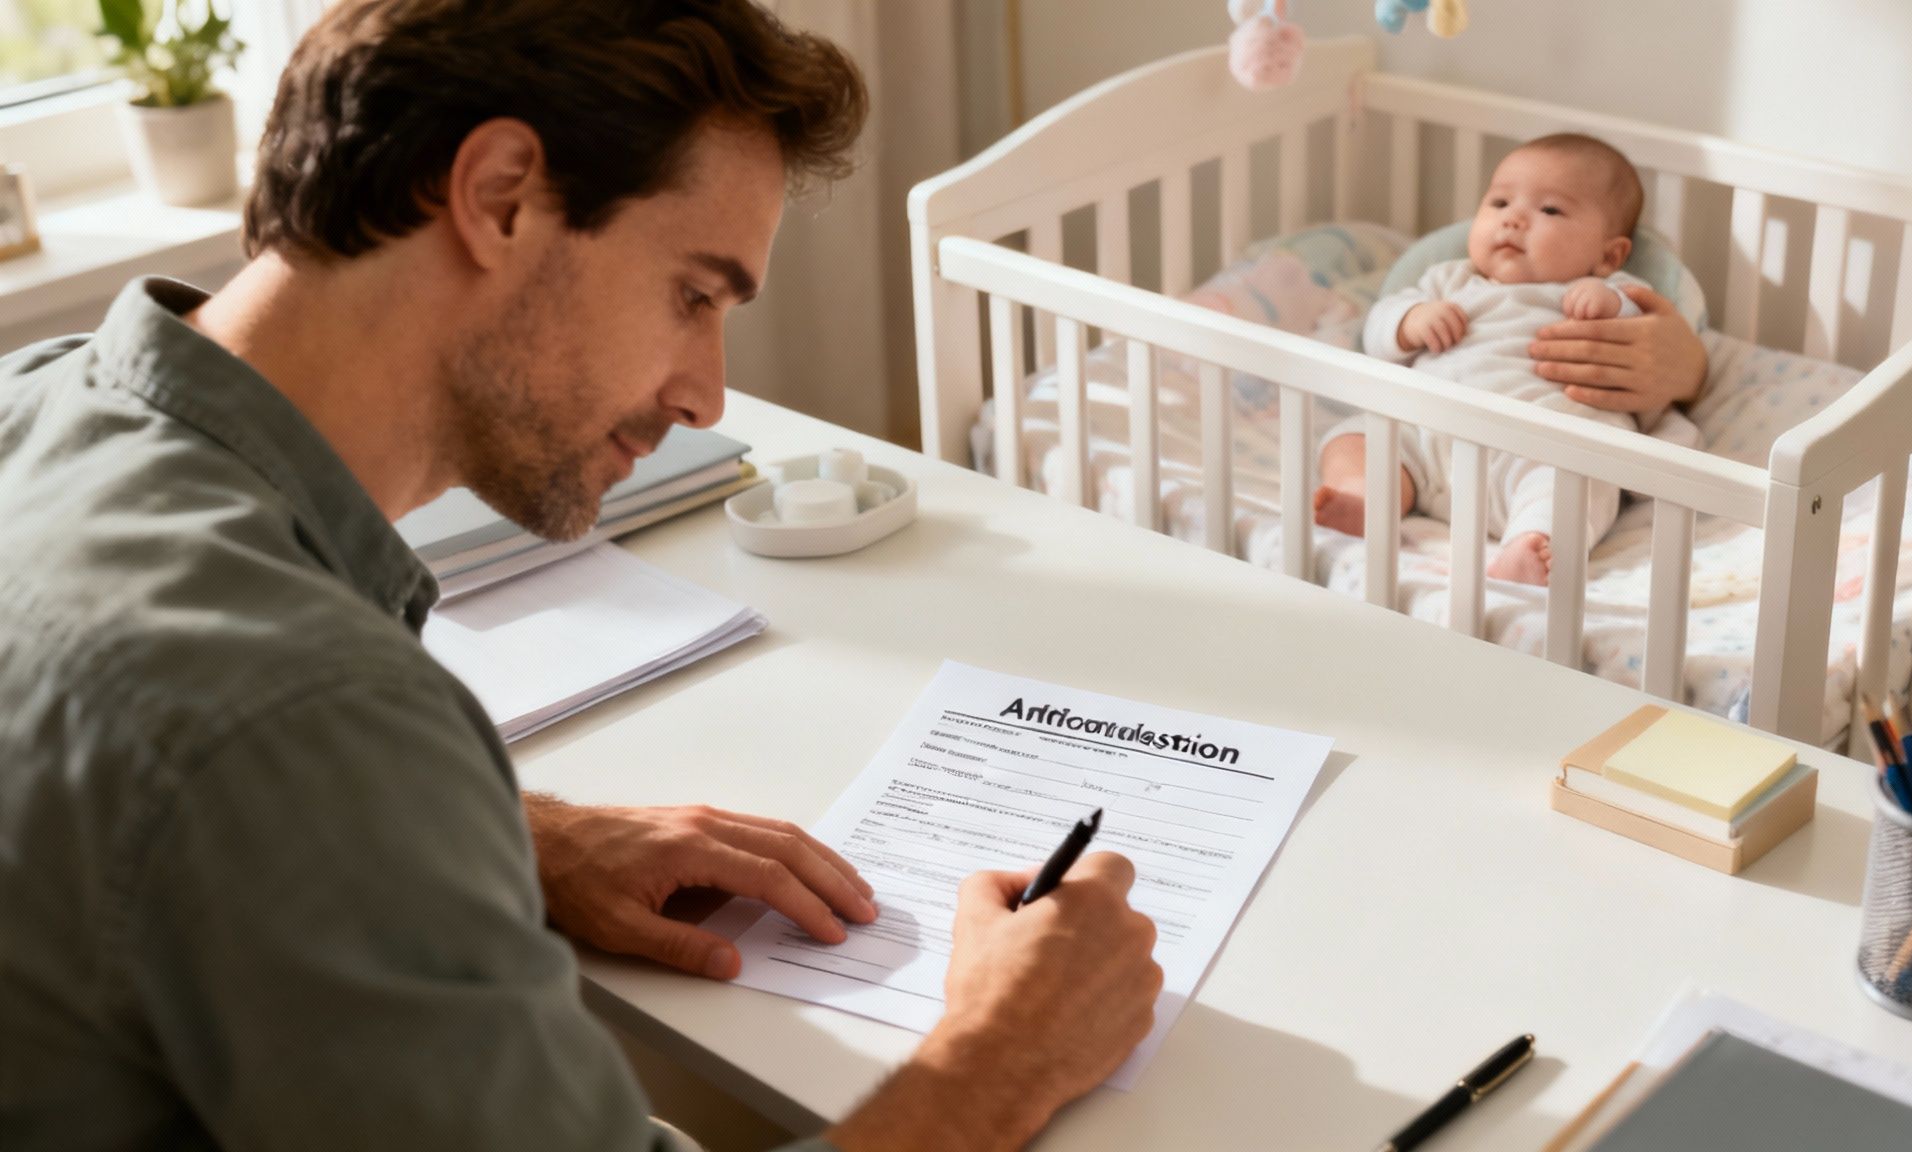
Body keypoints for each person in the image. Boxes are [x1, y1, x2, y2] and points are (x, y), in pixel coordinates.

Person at [0, 3, 1162, 1151]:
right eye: (692, 297)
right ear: (500, 196)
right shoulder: (302, 712)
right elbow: (266, 743)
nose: (705, 393)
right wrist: (1001, 1053)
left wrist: (507, 831)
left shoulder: (42, 399)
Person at [1312, 134, 1703, 585]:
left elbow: (1646, 348)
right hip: (1424, 439)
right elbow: (1376, 332)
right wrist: (1411, 320)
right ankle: (1366, 499)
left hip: (1535, 448)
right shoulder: (1448, 279)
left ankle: (1530, 543)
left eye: (1550, 210)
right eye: (1499, 202)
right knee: (1355, 438)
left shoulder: (1611, 292)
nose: (1514, 219)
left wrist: (1610, 302)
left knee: (1577, 480)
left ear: (1608, 255)